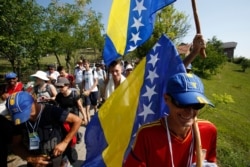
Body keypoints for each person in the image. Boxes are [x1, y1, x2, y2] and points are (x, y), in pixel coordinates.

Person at [124, 73, 217, 167]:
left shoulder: (209, 130)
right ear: (166, 99)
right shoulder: (147, 135)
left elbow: (211, 161)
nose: (190, 111)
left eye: (197, 105)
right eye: (182, 103)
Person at [6, 91, 82, 167]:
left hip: (57, 159)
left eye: (25, 112)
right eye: (20, 115)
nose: (25, 117)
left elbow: (77, 120)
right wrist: (30, 158)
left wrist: (65, 142)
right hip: (35, 162)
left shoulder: (52, 111)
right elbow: (16, 145)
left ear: (34, 101)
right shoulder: (18, 120)